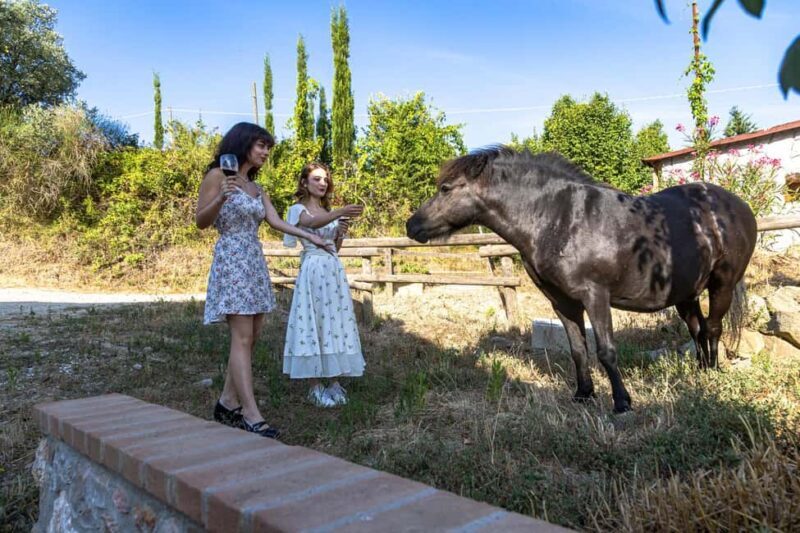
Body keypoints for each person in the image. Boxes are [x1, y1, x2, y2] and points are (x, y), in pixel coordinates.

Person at [195, 123, 333, 438]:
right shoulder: (218, 177)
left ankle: (227, 402)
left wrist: (313, 237)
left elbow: (276, 221)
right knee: (241, 337)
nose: (266, 152)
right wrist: (221, 198)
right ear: (243, 143)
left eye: (268, 147)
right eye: (261, 145)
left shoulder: (257, 188)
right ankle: (250, 414)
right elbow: (201, 221)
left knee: (252, 335)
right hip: (232, 260)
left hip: (254, 262)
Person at [282, 162, 365, 407]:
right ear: (305, 183)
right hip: (313, 270)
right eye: (316, 179)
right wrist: (339, 212)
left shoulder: (327, 211)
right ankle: (314, 385)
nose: (322, 183)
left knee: (334, 321)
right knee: (314, 321)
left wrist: (339, 233)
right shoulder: (297, 210)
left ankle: (334, 380)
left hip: (332, 269)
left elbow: (334, 248)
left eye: (325, 179)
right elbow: (311, 224)